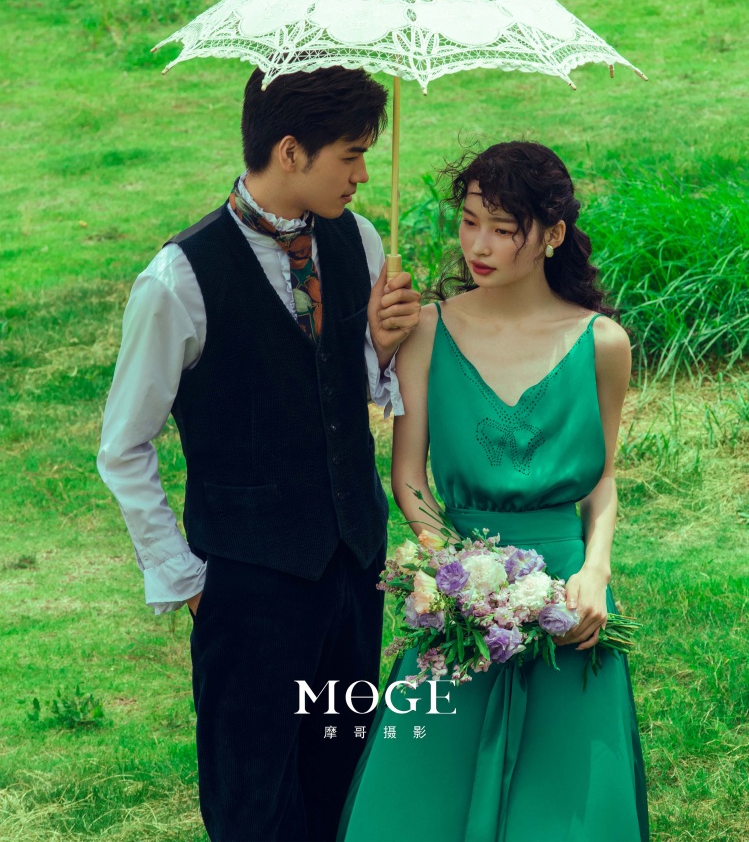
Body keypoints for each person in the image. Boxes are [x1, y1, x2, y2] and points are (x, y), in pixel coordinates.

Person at [97, 65, 422, 842]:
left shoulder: (360, 239)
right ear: (290, 150)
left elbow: (344, 388)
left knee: (344, 785)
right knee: (253, 802)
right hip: (248, 588)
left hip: (353, 569)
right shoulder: (177, 278)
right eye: (350, 155)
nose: (363, 174)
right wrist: (186, 579)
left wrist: (379, 348)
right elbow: (124, 445)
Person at [337, 140, 649, 842]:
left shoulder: (603, 343)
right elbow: (409, 477)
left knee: (568, 813)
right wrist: (454, 571)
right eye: (469, 221)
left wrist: (595, 572)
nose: (478, 245)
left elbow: (602, 479)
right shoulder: (428, 329)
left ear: (552, 234)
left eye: (503, 229)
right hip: (456, 597)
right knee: (418, 806)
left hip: (568, 601)